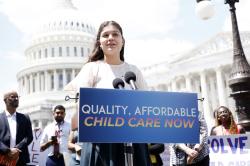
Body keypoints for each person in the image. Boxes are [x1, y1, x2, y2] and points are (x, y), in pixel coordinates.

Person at [64, 20, 151, 166]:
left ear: (122, 41)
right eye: (105, 35)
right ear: (100, 43)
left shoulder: (133, 71)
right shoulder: (91, 69)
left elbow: (147, 104)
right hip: (101, 143)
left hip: (134, 142)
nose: (110, 38)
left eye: (115, 34)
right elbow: (82, 107)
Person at [0, 91, 33, 166]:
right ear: (5, 100)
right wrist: (7, 151)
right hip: (2, 158)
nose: (16, 98)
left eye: (17, 97)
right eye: (13, 97)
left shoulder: (25, 118)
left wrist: (16, 149)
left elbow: (29, 137)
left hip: (20, 159)